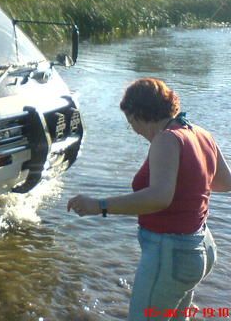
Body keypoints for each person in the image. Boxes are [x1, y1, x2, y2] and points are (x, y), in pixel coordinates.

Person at [67, 78, 231, 320]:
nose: (133, 129)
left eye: (130, 121)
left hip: (171, 254)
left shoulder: (166, 139)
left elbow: (160, 198)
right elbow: (224, 183)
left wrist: (99, 206)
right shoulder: (200, 133)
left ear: (137, 115)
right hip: (200, 248)